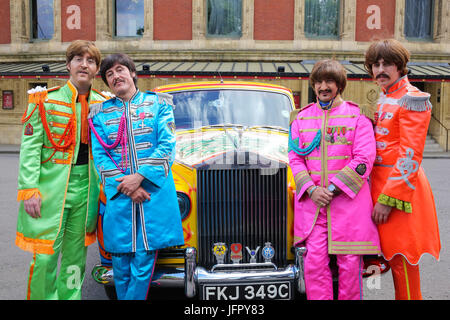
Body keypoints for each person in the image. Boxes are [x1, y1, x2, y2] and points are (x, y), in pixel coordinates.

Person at [16, 40, 107, 299]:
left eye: (90, 61)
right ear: (68, 65)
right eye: (78, 59)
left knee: (76, 258)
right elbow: (31, 148)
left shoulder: (104, 103)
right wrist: (29, 189)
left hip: (87, 189)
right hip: (50, 189)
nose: (84, 64)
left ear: (96, 69)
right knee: (45, 256)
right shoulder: (44, 100)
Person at [88, 53, 184, 300]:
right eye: (109, 74)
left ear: (132, 73)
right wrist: (128, 186)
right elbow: (100, 157)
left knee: (143, 263)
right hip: (120, 195)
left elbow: (166, 146)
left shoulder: (159, 105)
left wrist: (139, 177)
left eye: (119, 70)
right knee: (119, 262)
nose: (115, 76)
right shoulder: (98, 114)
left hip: (150, 194)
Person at [288, 59, 380, 300]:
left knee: (350, 267)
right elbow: (295, 159)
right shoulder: (300, 119)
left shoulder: (357, 117)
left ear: (339, 84)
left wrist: (330, 189)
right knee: (313, 265)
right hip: (313, 207)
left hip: (347, 205)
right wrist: (311, 189)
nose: (322, 86)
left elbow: (363, 160)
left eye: (329, 81)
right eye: (318, 82)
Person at [364, 39, 441, 300]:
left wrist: (389, 200)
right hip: (378, 188)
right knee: (380, 261)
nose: (380, 69)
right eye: (376, 64)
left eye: (387, 64)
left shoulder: (412, 99)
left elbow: (410, 156)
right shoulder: (387, 96)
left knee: (402, 260)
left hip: (398, 194)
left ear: (401, 66)